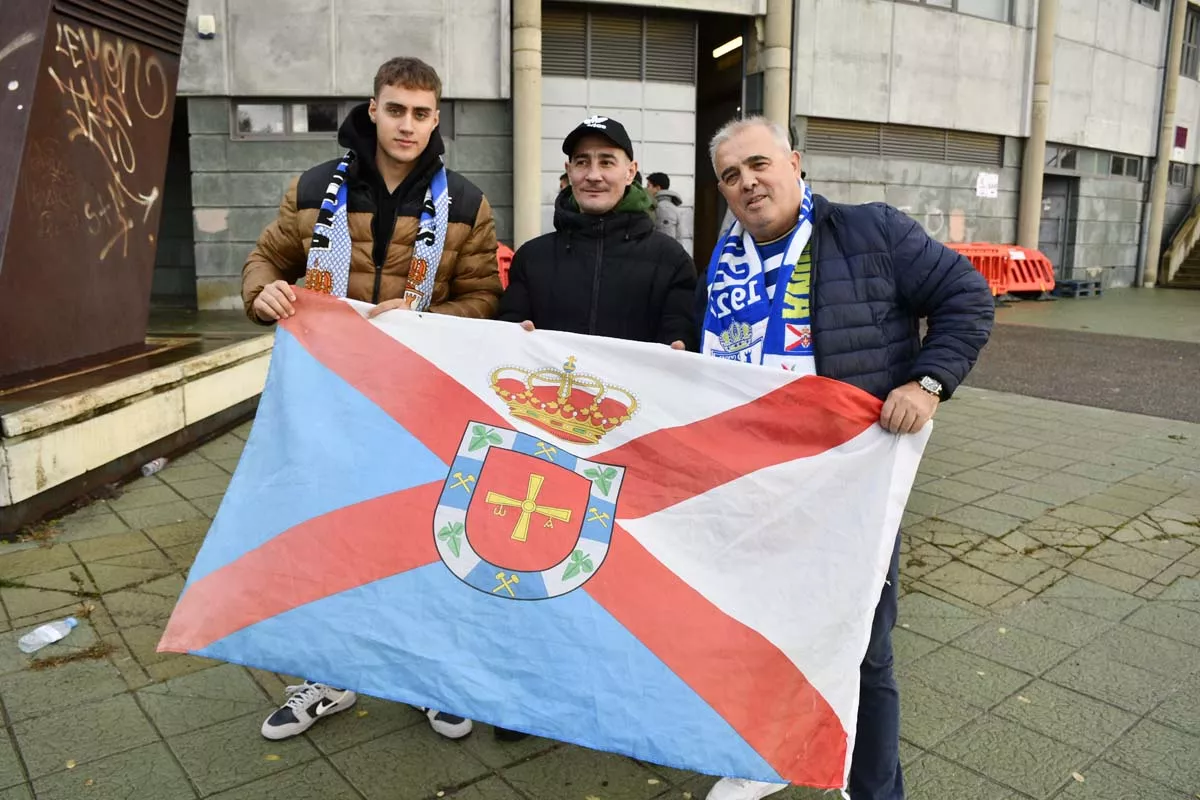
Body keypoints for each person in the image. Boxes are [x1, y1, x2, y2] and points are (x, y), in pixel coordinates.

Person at [697, 117, 993, 800]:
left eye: (759, 164)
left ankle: (876, 789)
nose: (748, 182)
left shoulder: (871, 231)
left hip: (848, 485)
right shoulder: (723, 260)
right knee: (759, 633)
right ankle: (764, 759)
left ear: (795, 163)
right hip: (753, 485)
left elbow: (966, 297)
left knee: (863, 645)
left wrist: (928, 382)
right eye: (731, 176)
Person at [241, 56, 503, 744]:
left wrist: (424, 321)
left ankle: (428, 677)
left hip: (419, 401)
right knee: (325, 540)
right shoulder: (311, 188)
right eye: (396, 109)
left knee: (422, 541)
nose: (407, 124)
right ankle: (326, 676)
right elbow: (266, 260)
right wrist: (260, 291)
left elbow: (484, 300)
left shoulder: (468, 204)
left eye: (421, 113)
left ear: (437, 118)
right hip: (326, 399)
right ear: (373, 108)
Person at [498, 116, 696, 350]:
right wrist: (513, 337)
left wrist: (681, 347)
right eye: (582, 162)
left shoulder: (671, 260)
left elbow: (682, 334)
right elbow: (507, 331)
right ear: (568, 171)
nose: (593, 175)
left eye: (606, 162)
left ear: (630, 172)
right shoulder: (532, 257)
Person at [646, 171, 684, 242]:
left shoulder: (664, 208)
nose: (646, 189)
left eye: (648, 186)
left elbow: (666, 241)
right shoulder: (662, 205)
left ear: (657, 188)